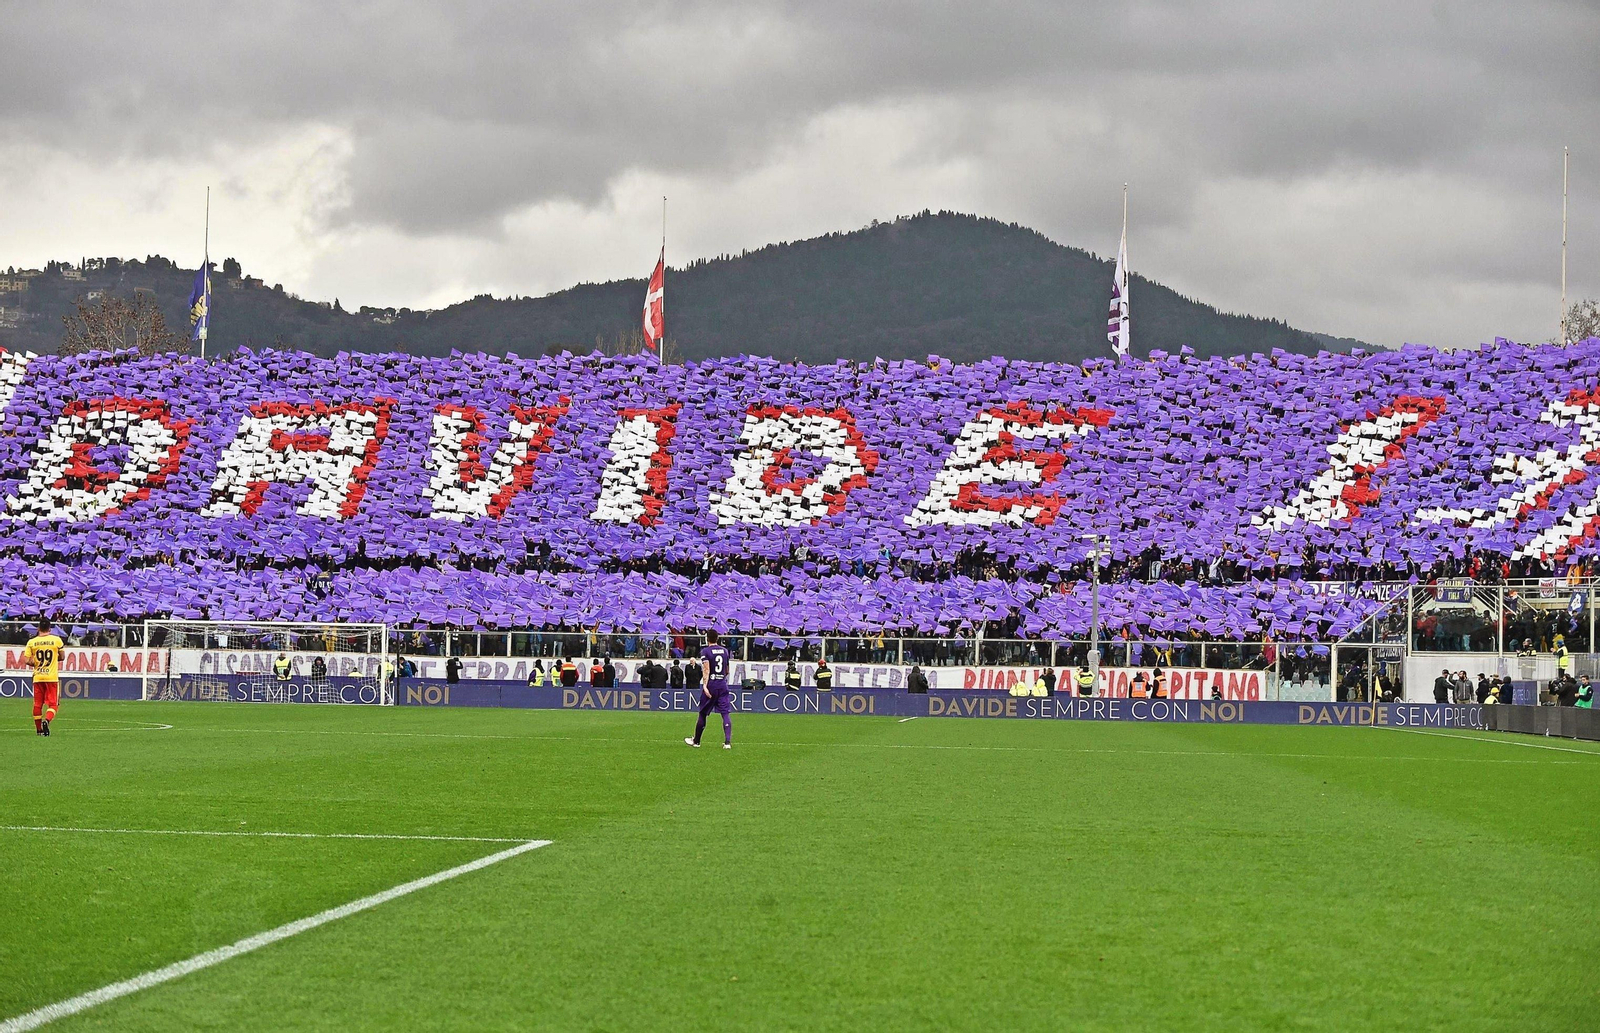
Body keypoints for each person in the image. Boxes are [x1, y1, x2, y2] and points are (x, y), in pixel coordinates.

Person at [685, 630, 734, 749]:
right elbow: (727, 670)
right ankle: (727, 743)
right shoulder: (725, 651)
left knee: (702, 713)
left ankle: (696, 741)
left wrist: (705, 686)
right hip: (722, 684)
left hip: (711, 684)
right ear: (717, 638)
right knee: (725, 713)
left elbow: (706, 669)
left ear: (707, 639)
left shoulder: (706, 651)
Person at [25, 618, 63, 736]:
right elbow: (62, 657)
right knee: (53, 704)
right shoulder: (56, 640)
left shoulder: (32, 642)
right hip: (51, 677)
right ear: (50, 629)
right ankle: (46, 721)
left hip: (38, 677)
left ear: (38, 629)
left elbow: (27, 660)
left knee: (37, 704)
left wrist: (36, 662)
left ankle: (38, 730)